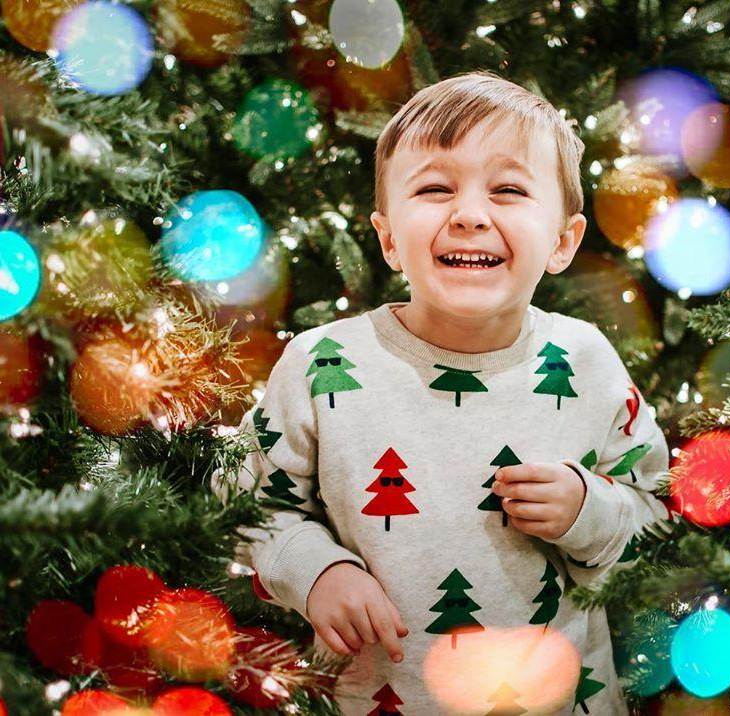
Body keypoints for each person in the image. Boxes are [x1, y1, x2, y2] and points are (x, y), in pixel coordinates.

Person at [213, 70, 673, 715]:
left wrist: (586, 512)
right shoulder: (322, 364)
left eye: (508, 189)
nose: (468, 215)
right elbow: (242, 505)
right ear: (389, 238)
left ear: (563, 242)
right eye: (434, 188)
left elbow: (657, 514)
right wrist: (318, 573)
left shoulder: (586, 361)